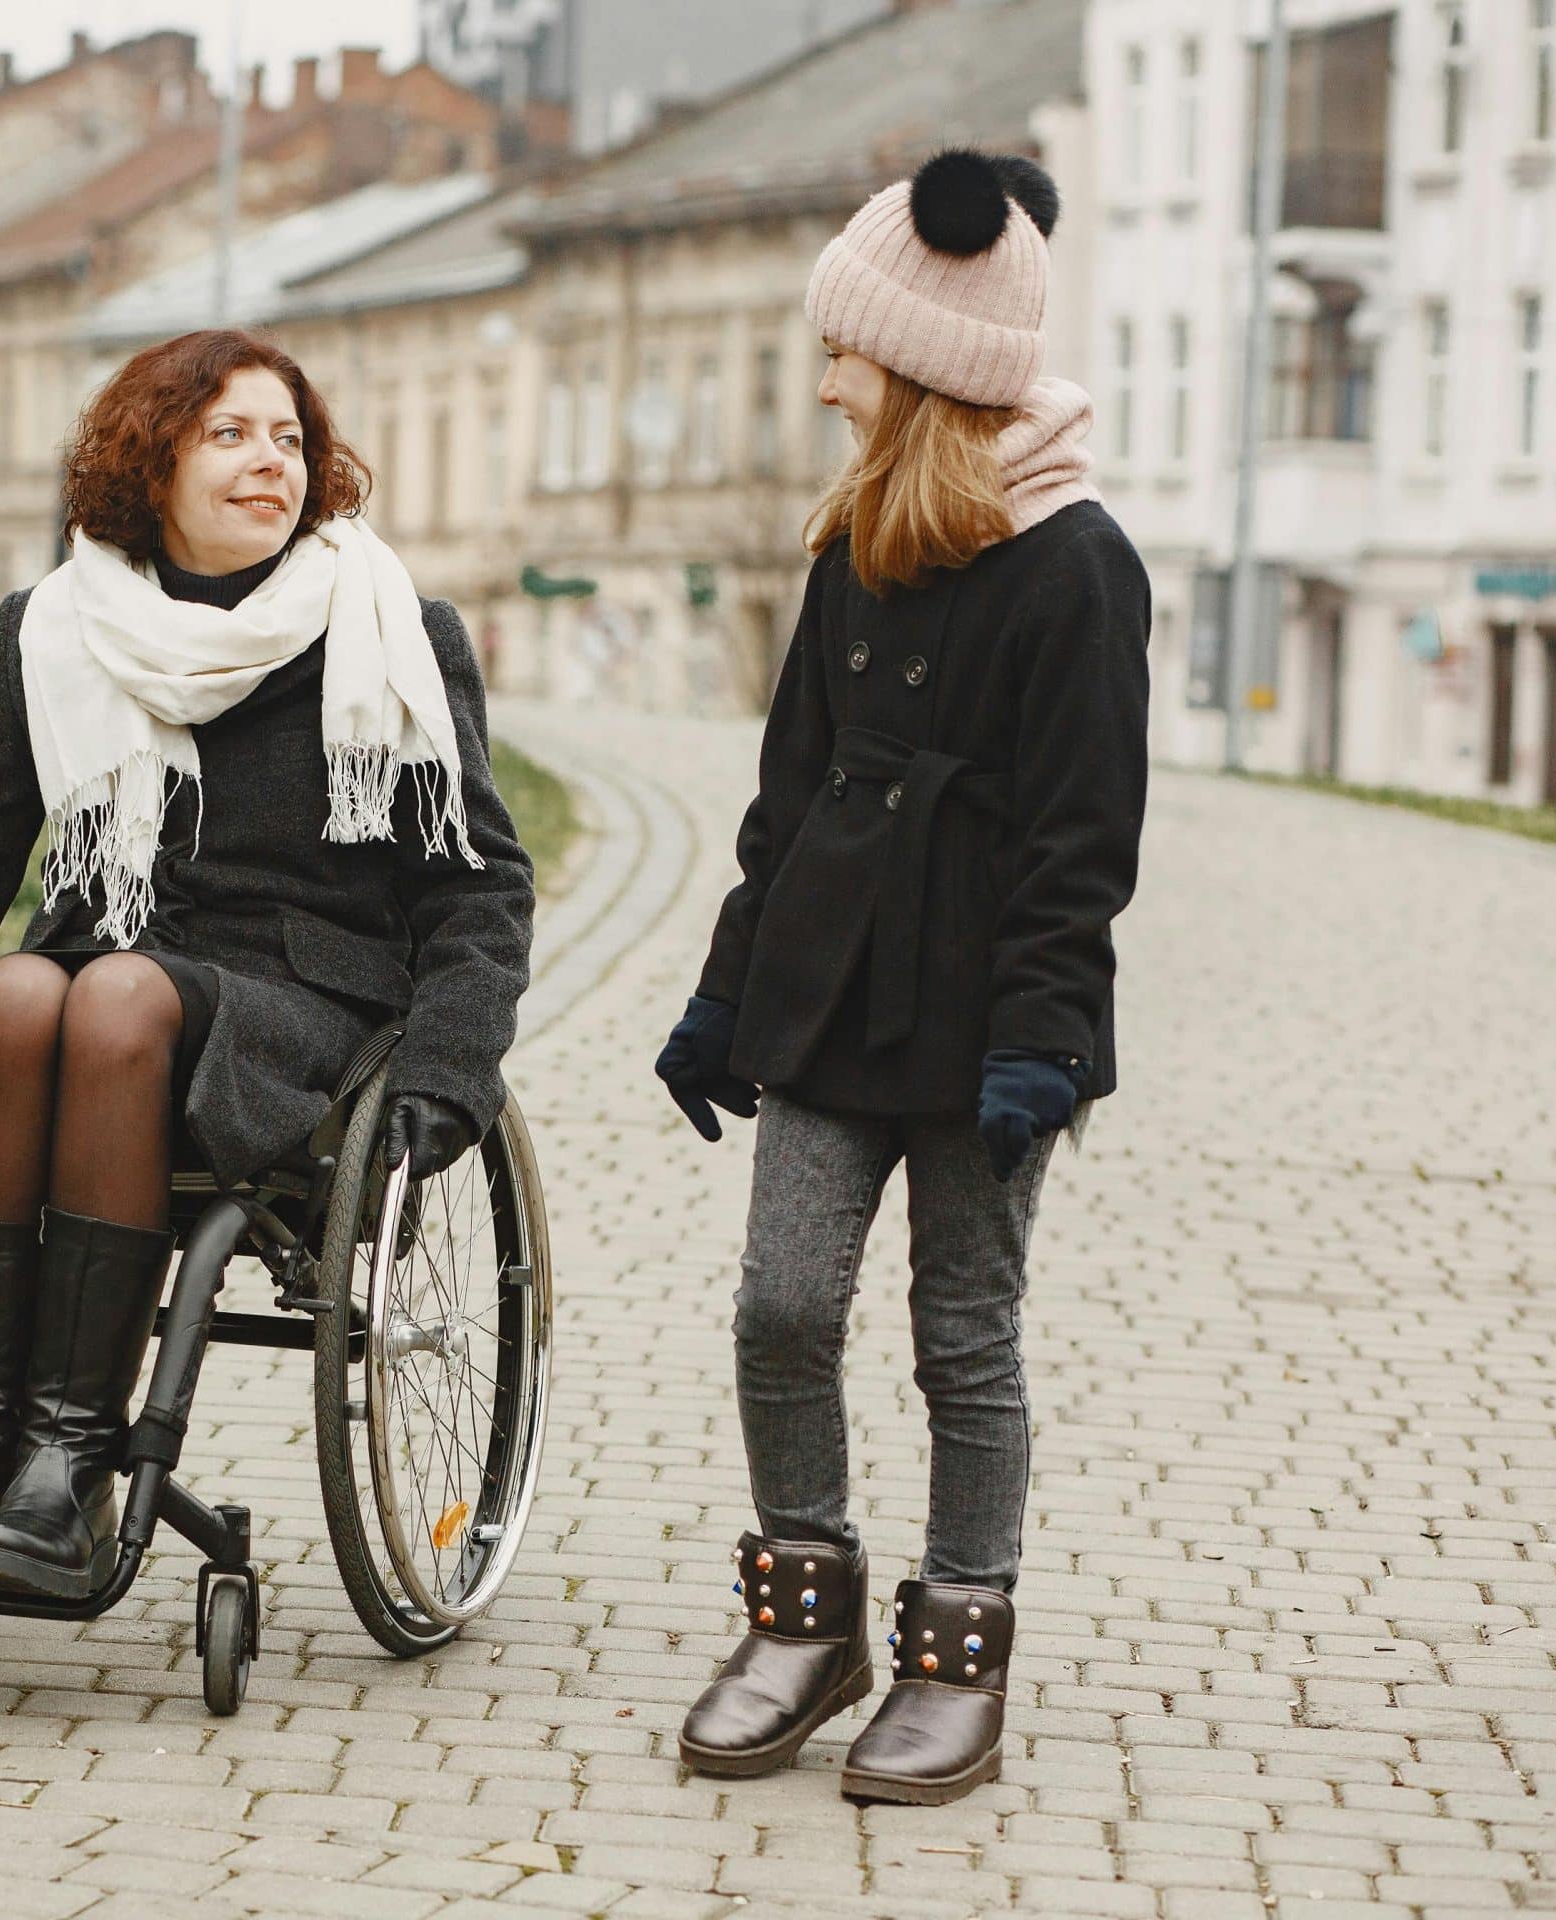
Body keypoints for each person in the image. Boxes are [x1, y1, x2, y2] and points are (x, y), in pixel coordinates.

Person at [0, 330, 536, 1605]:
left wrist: (452, 1070)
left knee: (115, 990)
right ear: (152, 462)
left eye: (291, 439)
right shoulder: (56, 628)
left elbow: (476, 881)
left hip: (300, 1014)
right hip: (91, 995)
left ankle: (71, 1461)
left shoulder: (387, 627)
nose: (273, 463)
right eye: (232, 435)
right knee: (30, 984)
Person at [653, 150, 1150, 1805]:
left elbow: (1082, 847)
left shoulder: (1078, 567)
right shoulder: (851, 549)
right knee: (783, 1301)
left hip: (989, 1027)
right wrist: (727, 996)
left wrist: (1045, 1051)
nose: (823, 379)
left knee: (964, 1335)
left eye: (844, 348)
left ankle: (955, 1654)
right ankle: (806, 1618)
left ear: (927, 359)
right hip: (828, 1005)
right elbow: (786, 807)